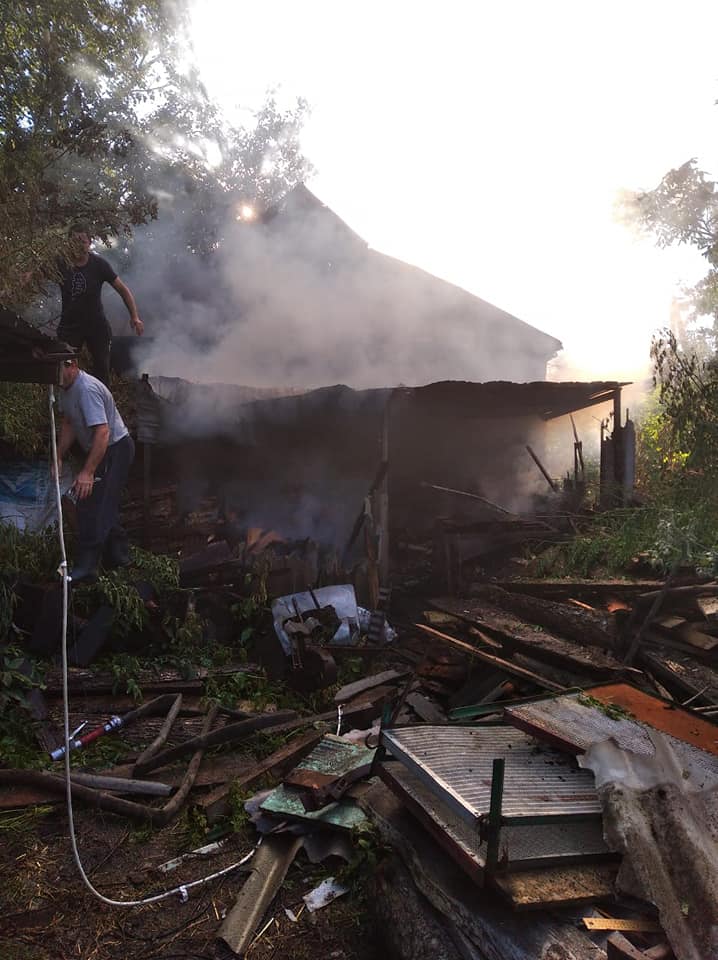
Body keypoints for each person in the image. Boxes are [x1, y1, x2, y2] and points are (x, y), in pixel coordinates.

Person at [57, 358, 135, 583]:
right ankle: (118, 557)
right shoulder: (65, 388)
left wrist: (88, 472)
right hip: (102, 449)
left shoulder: (87, 390)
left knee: (93, 504)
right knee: (97, 502)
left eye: (59, 368)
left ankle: (87, 567)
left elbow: (102, 433)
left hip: (115, 448)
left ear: (72, 365)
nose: (56, 375)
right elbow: (69, 423)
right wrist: (59, 456)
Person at [56, 222, 144, 386]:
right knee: (65, 369)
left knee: (102, 369)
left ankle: (103, 406)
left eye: (82, 241)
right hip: (69, 326)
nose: (78, 245)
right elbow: (36, 273)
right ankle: (67, 407)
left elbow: (123, 290)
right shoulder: (61, 263)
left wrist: (135, 317)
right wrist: (23, 279)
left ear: (89, 243)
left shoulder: (99, 265)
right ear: (68, 243)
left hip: (96, 325)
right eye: (74, 241)